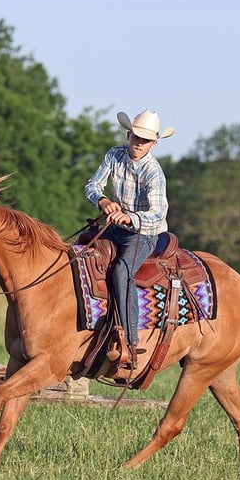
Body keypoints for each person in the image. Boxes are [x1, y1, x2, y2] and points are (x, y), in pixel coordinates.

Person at [84, 109, 175, 369]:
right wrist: (102, 201)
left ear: (153, 144)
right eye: (135, 137)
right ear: (128, 134)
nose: (138, 144)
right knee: (81, 251)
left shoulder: (154, 172)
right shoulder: (114, 155)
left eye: (144, 140)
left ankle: (129, 341)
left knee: (123, 271)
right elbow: (92, 185)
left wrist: (128, 217)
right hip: (114, 225)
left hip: (143, 233)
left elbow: (158, 214)